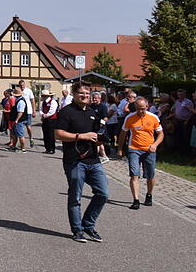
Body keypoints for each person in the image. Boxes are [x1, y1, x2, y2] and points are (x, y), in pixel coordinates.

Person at [55, 83, 108, 243]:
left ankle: (88, 225)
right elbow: (58, 134)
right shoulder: (66, 112)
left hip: (93, 160)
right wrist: (81, 136)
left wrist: (100, 140)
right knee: (75, 196)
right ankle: (77, 230)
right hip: (75, 161)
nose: (85, 95)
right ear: (74, 94)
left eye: (87, 93)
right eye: (81, 93)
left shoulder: (93, 112)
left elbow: (97, 135)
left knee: (103, 193)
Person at [117, 96, 164, 210]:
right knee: (134, 174)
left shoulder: (153, 118)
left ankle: (149, 194)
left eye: (142, 108)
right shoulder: (130, 118)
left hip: (149, 149)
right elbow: (123, 134)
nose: (140, 111)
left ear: (147, 107)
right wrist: (120, 149)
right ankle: (136, 200)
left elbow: (161, 134)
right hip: (134, 148)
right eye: (138, 108)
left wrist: (155, 145)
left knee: (150, 175)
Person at [90, 90, 110, 163]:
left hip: (100, 127)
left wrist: (102, 124)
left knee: (98, 142)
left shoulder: (103, 107)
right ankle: (103, 156)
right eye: (93, 98)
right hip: (93, 126)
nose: (94, 100)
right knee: (98, 143)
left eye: (96, 98)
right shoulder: (91, 106)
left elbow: (105, 117)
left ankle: (96, 156)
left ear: (99, 99)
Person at [9, 86, 28, 152]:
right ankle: (13, 146)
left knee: (20, 134)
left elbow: (20, 112)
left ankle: (23, 148)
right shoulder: (18, 100)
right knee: (14, 134)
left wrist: (17, 120)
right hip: (16, 120)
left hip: (19, 120)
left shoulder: (21, 101)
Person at [19, 80, 35, 148]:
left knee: (28, 126)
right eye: (20, 85)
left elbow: (32, 101)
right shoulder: (18, 90)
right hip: (21, 111)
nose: (22, 86)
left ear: (24, 85)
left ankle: (31, 138)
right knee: (20, 127)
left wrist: (34, 111)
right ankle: (21, 142)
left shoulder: (28, 91)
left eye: (23, 85)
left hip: (28, 111)